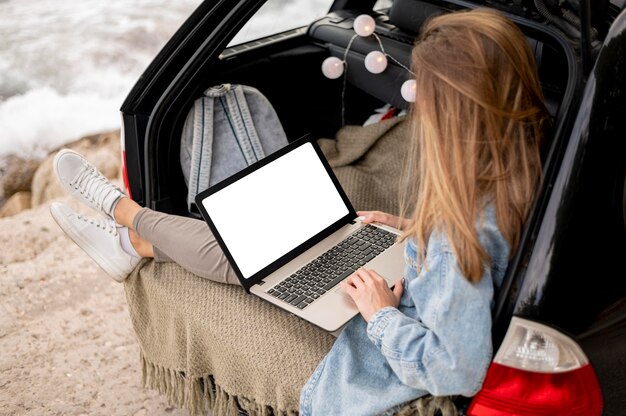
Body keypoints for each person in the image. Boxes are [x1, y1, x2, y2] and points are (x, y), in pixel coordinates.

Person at [50, 7, 549, 416]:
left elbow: (455, 369)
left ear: (455, 117)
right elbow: (469, 260)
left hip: (384, 329)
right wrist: (416, 230)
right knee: (268, 253)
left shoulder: (462, 239)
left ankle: (125, 218)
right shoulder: (522, 172)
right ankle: (130, 232)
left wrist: (380, 316)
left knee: (247, 262)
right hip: (403, 273)